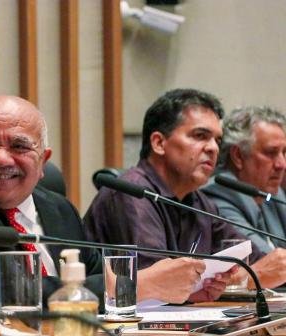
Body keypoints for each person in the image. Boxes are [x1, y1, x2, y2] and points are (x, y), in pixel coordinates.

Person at [0, 95, 208, 336]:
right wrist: (133, 285)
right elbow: (16, 297)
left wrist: (175, 288)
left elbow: (95, 274)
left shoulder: (57, 208)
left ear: (43, 161)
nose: (1, 158)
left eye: (19, 146)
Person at [85, 88, 286, 294]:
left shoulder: (199, 201)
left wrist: (243, 275)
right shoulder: (132, 194)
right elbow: (159, 285)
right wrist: (253, 277)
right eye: (200, 136)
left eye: (217, 140)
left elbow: (252, 259)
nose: (213, 148)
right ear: (159, 143)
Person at [202, 106, 286, 254]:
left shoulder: (273, 194)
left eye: (284, 153)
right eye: (271, 153)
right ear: (238, 156)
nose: (282, 164)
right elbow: (261, 257)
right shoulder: (216, 201)